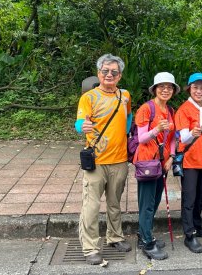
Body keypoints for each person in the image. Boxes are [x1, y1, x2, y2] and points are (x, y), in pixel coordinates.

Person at [75, 54, 133, 265]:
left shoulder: (125, 95)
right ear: (99, 73)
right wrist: (83, 127)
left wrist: (124, 137)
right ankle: (90, 247)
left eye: (114, 72)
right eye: (105, 71)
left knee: (115, 203)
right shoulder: (89, 97)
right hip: (96, 161)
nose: (109, 74)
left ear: (120, 75)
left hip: (119, 160)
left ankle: (115, 237)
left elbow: (128, 118)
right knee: (90, 206)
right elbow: (80, 122)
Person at [135, 72, 179, 260]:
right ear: (155, 89)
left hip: (162, 163)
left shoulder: (170, 111)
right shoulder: (146, 109)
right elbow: (141, 138)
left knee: (154, 200)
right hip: (147, 161)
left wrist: (171, 158)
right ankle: (147, 241)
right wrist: (157, 129)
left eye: (169, 87)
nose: (165, 90)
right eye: (161, 86)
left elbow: (172, 138)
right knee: (147, 203)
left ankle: (143, 234)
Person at [174, 73, 202, 253]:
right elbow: (182, 137)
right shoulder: (183, 109)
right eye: (195, 87)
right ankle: (189, 234)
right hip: (190, 160)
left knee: (201, 196)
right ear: (189, 89)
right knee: (189, 199)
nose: (199, 91)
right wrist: (193, 132)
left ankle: (197, 226)